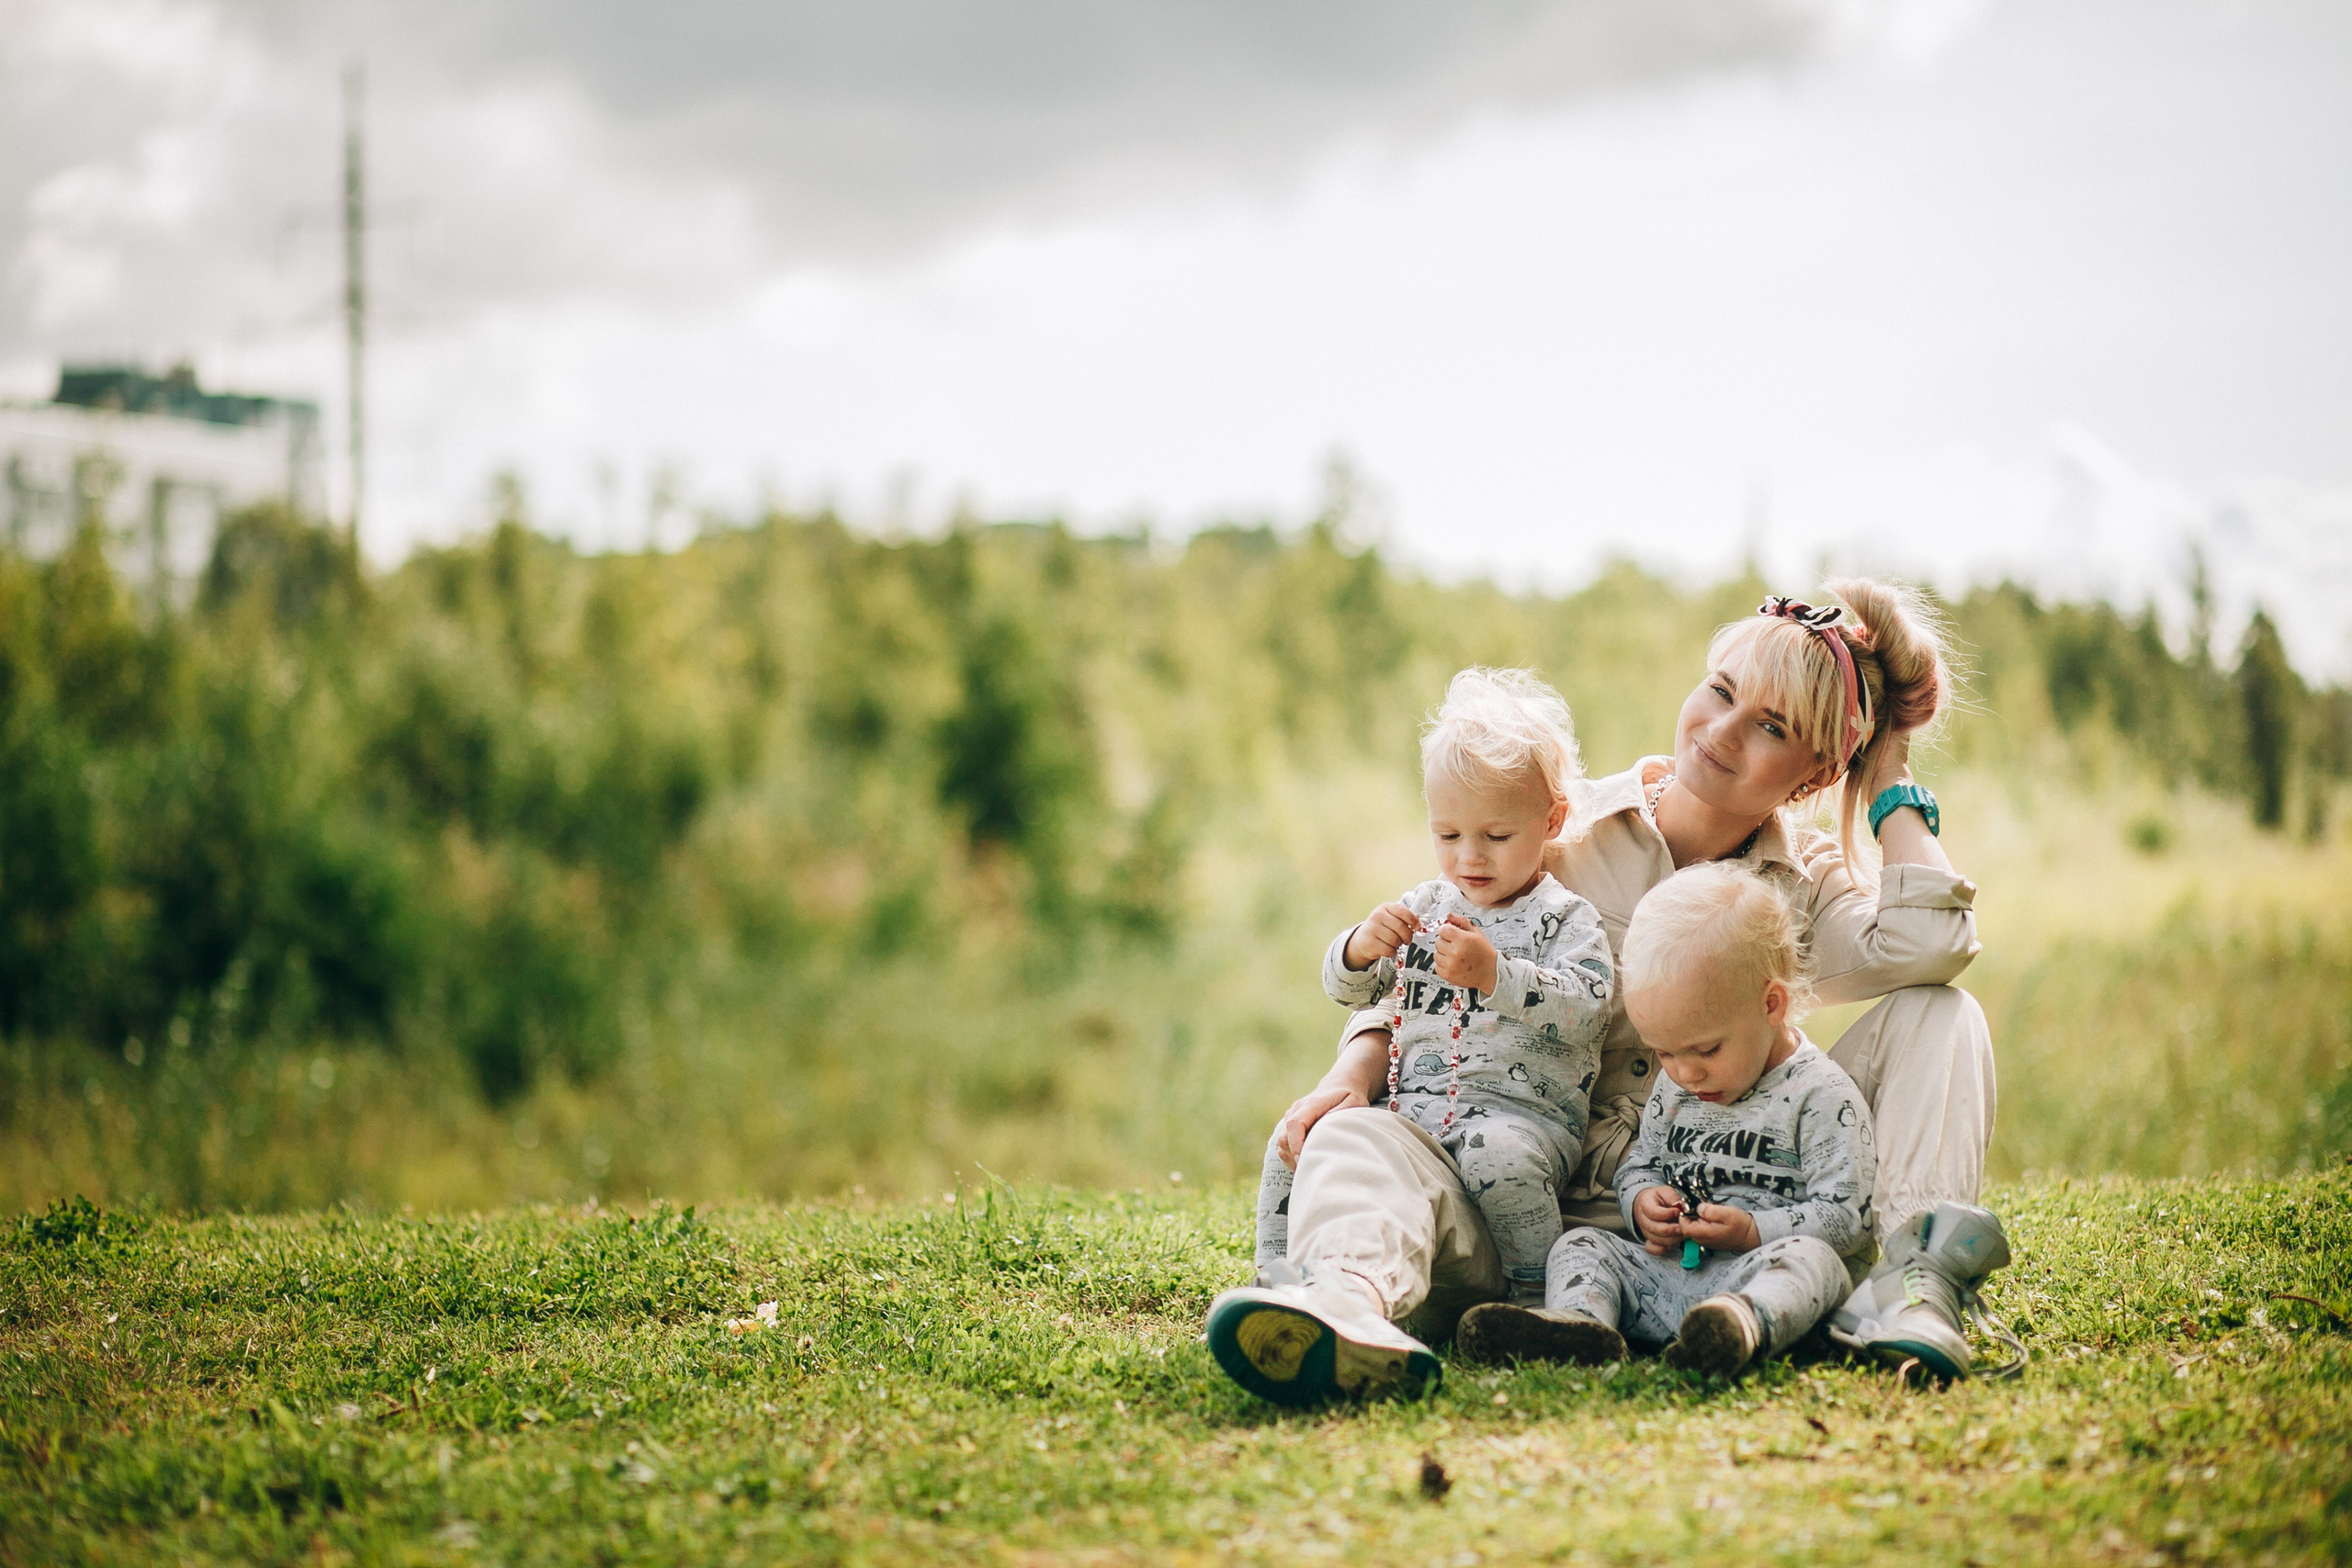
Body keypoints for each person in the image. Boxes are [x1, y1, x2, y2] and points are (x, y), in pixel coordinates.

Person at [1225, 579, 2015, 1403]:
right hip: (1523, 1211)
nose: (1722, 731)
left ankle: (1913, 1285)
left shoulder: (1803, 892)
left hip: (1733, 1229)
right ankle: (1345, 1306)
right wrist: (1348, 1077)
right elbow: (1425, 963)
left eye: (1772, 727)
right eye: (1720, 691)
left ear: (1816, 771)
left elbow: (1932, 943)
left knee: (1941, 1013)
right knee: (1359, 1138)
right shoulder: (1555, 825)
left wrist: (1887, 766)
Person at [1204, 669, 1613, 1405]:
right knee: (1314, 1127)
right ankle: (1288, 1288)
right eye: (1447, 834)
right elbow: (1353, 992)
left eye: (1495, 835)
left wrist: (1497, 975)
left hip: (1517, 1128)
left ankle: (1529, 1304)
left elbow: (1589, 1007)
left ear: (1551, 821)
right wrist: (1360, 946)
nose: (1468, 858)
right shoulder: (1425, 905)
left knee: (1500, 1153)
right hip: (1415, 1132)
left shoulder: (1565, 920)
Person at [1453, 863, 1873, 1376]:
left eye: (1705, 1049)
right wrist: (1641, 1203)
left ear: (1771, 1003)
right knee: (1580, 1244)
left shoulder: (1819, 1095)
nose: (1685, 1072)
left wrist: (1750, 1231)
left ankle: (1734, 1330)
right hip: (1668, 1276)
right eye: (1665, 1053)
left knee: (1815, 1263)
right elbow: (1642, 1166)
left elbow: (1846, 1217)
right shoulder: (1676, 1084)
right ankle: (1579, 1329)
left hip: (1761, 1275)